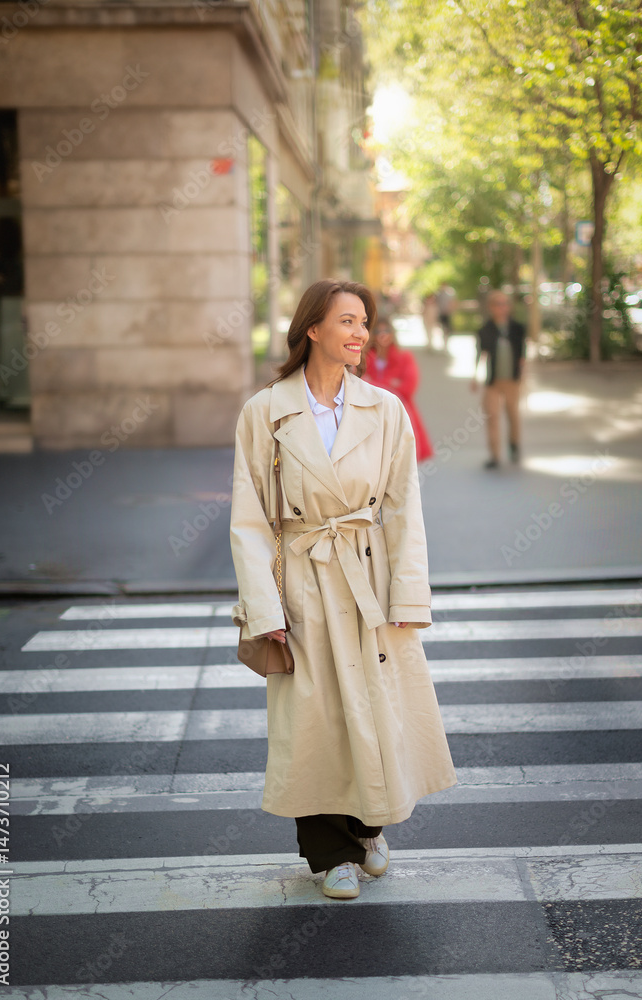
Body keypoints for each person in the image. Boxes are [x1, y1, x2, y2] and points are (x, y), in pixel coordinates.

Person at [229, 278, 457, 900]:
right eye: (348, 321)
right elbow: (250, 518)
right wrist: (262, 605)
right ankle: (328, 852)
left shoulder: (385, 410)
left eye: (365, 322)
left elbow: (406, 510)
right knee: (316, 718)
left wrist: (409, 597)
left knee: (378, 709)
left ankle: (369, 831)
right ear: (313, 328)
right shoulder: (266, 411)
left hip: (368, 580)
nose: (361, 334)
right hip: (301, 580)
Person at [362, 316, 434, 462]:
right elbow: (358, 387)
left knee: (402, 462)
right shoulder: (363, 357)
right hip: (371, 416)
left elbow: (408, 388)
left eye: (387, 330)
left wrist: (373, 384)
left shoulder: (404, 357)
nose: (383, 334)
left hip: (400, 413)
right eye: (378, 331)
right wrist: (391, 384)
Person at [471, 288, 526, 469]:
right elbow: (481, 354)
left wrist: (523, 379)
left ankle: (514, 445)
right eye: (497, 304)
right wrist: (475, 377)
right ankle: (495, 455)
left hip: (512, 381)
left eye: (505, 304)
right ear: (491, 307)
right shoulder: (486, 330)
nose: (502, 308)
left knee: (513, 415)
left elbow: (522, 355)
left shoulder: (517, 328)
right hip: (493, 382)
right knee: (492, 416)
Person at [436, 283, 456, 347]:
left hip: (447, 314)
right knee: (442, 329)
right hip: (441, 314)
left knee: (447, 329)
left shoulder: (449, 294)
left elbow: (452, 303)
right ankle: (444, 342)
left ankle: (446, 343)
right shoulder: (438, 295)